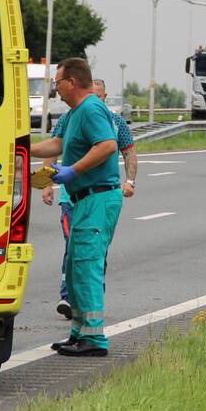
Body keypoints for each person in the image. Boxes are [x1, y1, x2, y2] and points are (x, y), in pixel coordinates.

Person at [31, 58, 123, 357]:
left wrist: (74, 171)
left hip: (97, 198)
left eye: (57, 82)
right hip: (84, 199)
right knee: (74, 269)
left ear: (72, 82)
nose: (55, 88)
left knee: (86, 266)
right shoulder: (74, 114)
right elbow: (57, 144)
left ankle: (94, 339)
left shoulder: (92, 108)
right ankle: (78, 333)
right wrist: (21, 145)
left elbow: (107, 144)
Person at [44, 78, 138, 319]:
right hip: (71, 196)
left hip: (98, 196)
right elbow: (53, 147)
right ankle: (69, 298)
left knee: (94, 253)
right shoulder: (69, 118)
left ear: (104, 97)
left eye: (97, 96)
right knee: (73, 247)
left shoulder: (114, 122)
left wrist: (130, 181)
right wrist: (46, 180)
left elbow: (125, 151)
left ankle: (91, 303)